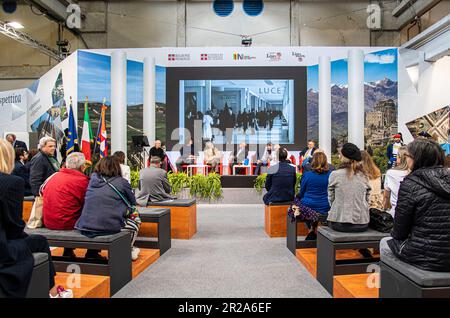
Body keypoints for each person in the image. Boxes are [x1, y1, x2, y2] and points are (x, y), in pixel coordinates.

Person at [0, 139, 72, 298]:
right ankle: (52, 291)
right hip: (3, 249)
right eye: (51, 146)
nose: (53, 148)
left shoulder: (43, 160)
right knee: (39, 241)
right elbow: (14, 227)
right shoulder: (12, 182)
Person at [387, 139, 450, 272]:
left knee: (384, 244)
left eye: (407, 156)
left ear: (416, 159)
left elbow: (399, 232)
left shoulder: (411, 184)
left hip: (426, 257)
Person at [75, 156, 141, 261]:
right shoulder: (122, 182)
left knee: (100, 216)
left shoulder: (92, 180)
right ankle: (127, 250)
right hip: (108, 227)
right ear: (117, 167)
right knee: (135, 218)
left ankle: (92, 252)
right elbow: (132, 202)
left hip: (85, 225)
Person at [41, 152, 90, 258]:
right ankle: (92, 253)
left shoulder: (53, 177)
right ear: (82, 166)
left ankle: (68, 251)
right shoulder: (82, 181)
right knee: (95, 214)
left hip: (49, 221)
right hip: (67, 223)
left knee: (69, 208)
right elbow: (89, 204)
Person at [327, 143, 371, 232]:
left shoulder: (335, 174)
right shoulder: (364, 176)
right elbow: (367, 199)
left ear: (342, 156)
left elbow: (331, 198)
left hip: (339, 222)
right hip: (362, 223)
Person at [296, 152, 332, 240]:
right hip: (326, 206)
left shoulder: (307, 175)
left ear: (313, 162)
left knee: (297, 202)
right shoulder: (331, 175)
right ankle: (316, 228)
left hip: (308, 206)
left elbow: (302, 192)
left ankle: (311, 229)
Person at [383, 146, 409, 216]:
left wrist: (384, 209)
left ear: (400, 158)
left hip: (396, 212)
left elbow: (386, 196)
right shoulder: (414, 172)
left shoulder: (391, 173)